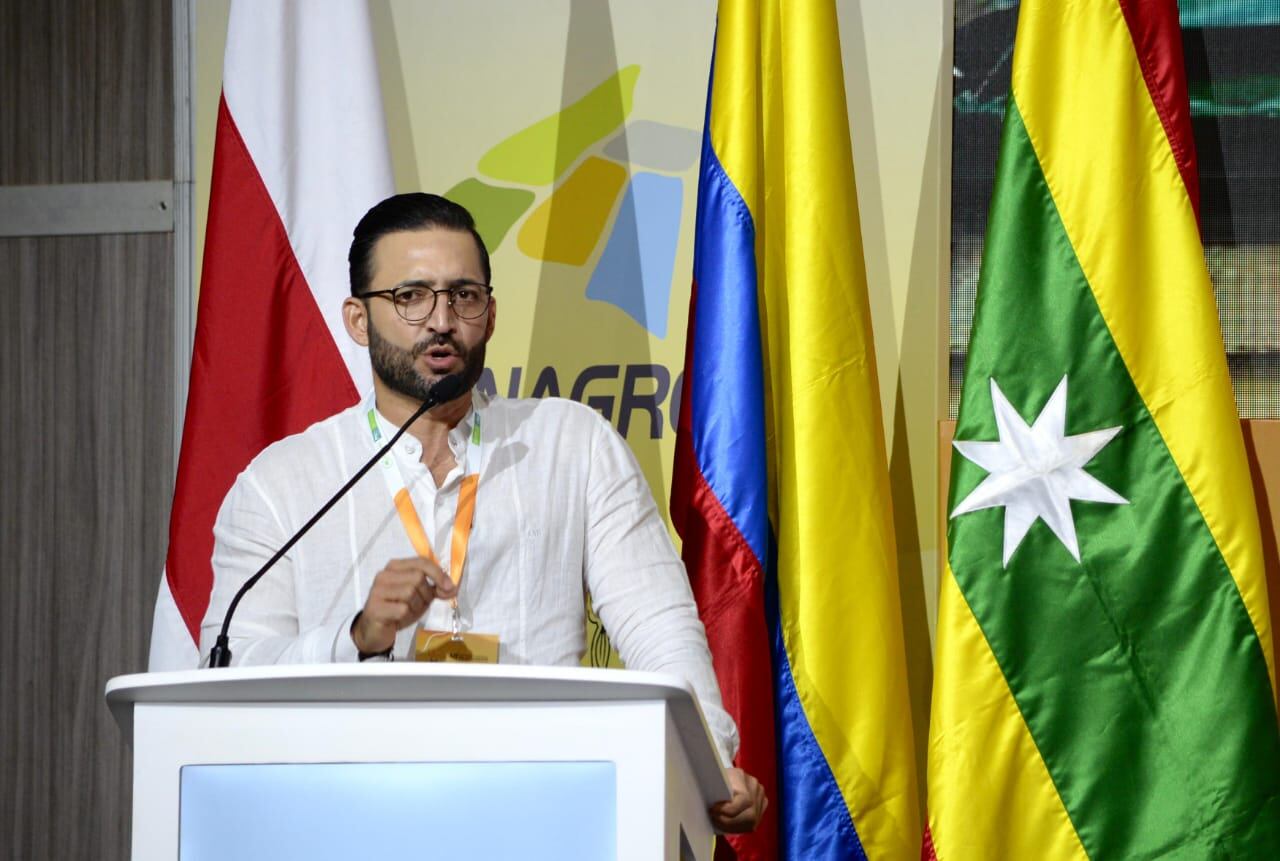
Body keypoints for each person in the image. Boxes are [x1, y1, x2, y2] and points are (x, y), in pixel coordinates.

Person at [201, 192, 765, 832]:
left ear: (490, 315)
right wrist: (359, 639)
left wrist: (709, 763)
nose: (441, 319)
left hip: (548, 813)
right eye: (410, 297)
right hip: (350, 818)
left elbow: (662, 630)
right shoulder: (282, 482)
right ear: (358, 320)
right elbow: (230, 673)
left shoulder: (570, 444)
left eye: (463, 295)